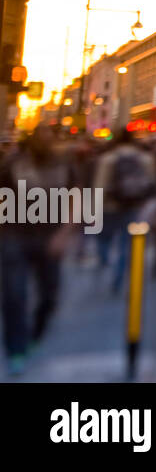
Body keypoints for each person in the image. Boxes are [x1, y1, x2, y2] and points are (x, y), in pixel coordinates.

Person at [0, 126, 76, 375]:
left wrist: (64, 234)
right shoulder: (13, 165)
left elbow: (77, 199)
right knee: (14, 294)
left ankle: (35, 334)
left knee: (49, 296)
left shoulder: (65, 165)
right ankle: (16, 348)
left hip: (50, 237)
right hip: (15, 236)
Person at [92, 127, 156, 293]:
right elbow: (151, 183)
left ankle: (104, 261)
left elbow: (99, 185)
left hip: (109, 206)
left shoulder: (108, 159)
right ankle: (119, 278)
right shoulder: (144, 158)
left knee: (103, 238)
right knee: (126, 244)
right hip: (133, 206)